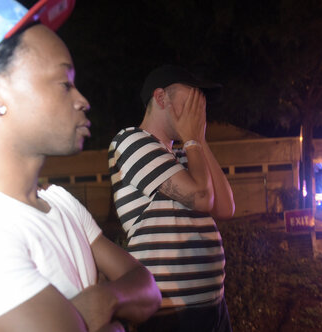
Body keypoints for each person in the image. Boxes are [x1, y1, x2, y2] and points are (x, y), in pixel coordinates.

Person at [0, 1, 162, 331]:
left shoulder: (60, 201)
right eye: (64, 83)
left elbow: (148, 288)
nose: (82, 100)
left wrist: (104, 301)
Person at [108, 65, 236, 332]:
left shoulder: (183, 156)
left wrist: (198, 139)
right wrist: (191, 138)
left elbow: (225, 207)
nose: (199, 110)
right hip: (172, 315)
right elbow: (201, 198)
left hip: (214, 307)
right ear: (160, 97)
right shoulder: (131, 141)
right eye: (192, 100)